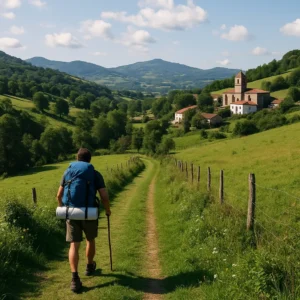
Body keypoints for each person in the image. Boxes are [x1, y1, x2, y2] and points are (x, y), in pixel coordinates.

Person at [56, 148, 111, 293]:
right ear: (89, 159)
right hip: (89, 212)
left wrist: (63, 209)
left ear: (77, 158)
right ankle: (89, 266)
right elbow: (104, 196)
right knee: (90, 239)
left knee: (74, 245)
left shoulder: (68, 172)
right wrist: (107, 210)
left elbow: (59, 195)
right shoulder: (94, 173)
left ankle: (74, 279)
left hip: (71, 213)